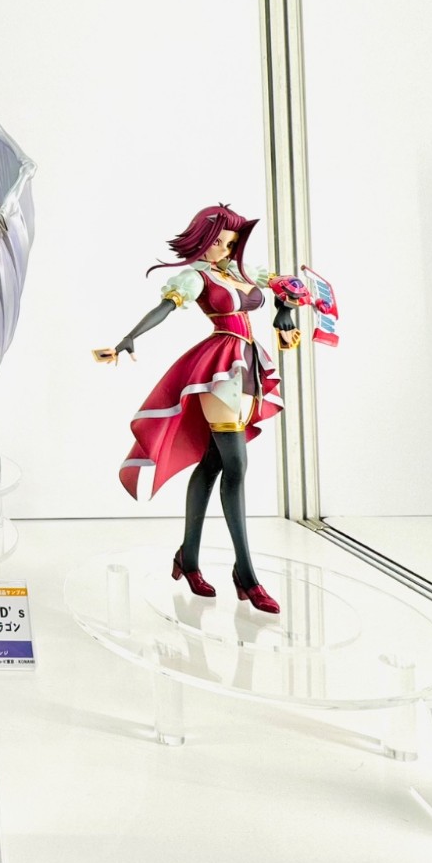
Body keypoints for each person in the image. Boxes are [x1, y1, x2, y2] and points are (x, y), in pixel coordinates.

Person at [98, 204, 303, 614]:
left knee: (213, 463)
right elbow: (165, 308)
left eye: (231, 242)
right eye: (217, 242)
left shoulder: (244, 272)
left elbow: (288, 288)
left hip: (250, 365)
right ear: (202, 242)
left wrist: (287, 309)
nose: (224, 249)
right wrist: (129, 338)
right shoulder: (196, 277)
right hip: (220, 369)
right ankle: (246, 575)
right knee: (236, 466)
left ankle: (187, 559)